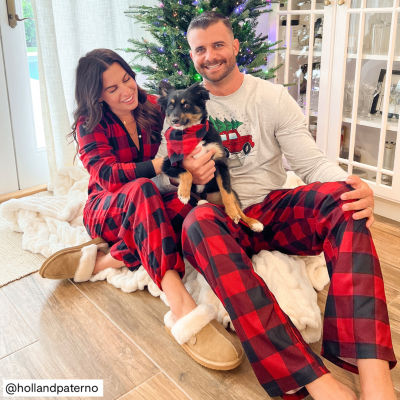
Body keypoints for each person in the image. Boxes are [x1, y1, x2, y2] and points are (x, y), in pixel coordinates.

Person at [155, 12, 396, 400]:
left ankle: (374, 372)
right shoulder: (177, 112)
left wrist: (349, 184)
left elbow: (311, 163)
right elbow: (162, 180)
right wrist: (182, 172)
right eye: (200, 49)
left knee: (344, 200)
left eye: (218, 44)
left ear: (235, 46)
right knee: (196, 222)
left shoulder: (270, 97)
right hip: (218, 217)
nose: (210, 55)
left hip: (271, 208)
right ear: (191, 55)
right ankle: (314, 379)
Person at [39, 48, 244, 371]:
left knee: (190, 207)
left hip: (150, 208)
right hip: (107, 209)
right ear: (97, 96)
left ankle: (108, 259)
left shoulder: (153, 106)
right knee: (144, 186)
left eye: (127, 79)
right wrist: (164, 164)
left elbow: (188, 137)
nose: (126, 90)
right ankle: (181, 305)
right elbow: (107, 175)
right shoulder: (89, 123)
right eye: (113, 88)